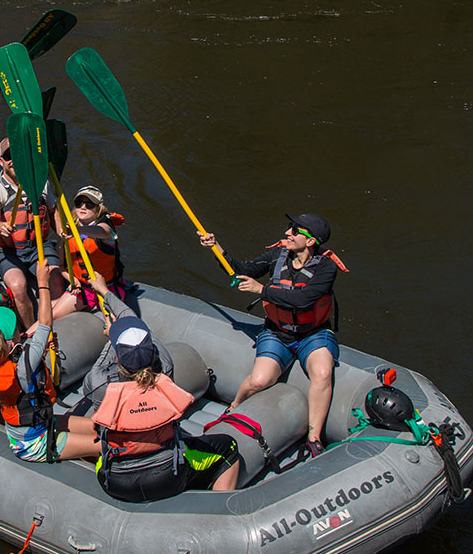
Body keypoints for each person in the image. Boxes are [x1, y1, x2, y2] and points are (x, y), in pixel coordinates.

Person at [198, 213, 348, 456]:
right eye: (290, 227)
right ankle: (234, 407)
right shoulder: (276, 257)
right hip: (277, 332)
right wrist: (217, 249)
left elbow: (304, 299)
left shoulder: (326, 267)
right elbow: (242, 270)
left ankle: (314, 437)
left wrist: (262, 290)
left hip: (313, 333)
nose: (288, 233)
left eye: (295, 230)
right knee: (259, 380)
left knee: (322, 373)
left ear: (310, 241)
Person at [91, 315, 240, 502]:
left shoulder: (98, 383)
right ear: (152, 354)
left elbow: (101, 365)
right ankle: (219, 510)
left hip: (115, 481)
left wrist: (111, 338)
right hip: (167, 475)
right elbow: (155, 345)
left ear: (118, 360)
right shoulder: (166, 370)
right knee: (229, 447)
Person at [0, 262, 100, 463]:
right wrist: (43, 283)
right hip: (35, 445)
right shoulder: (25, 363)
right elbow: (45, 323)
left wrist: (41, 350)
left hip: (34, 428)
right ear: (14, 340)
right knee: (103, 445)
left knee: (96, 426)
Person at [0, 137, 65, 329]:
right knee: (18, 287)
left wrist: (61, 231)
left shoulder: (40, 181)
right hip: (6, 249)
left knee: (56, 279)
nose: (14, 161)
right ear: (0, 161)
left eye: (19, 155)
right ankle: (31, 332)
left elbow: (52, 211)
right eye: (9, 156)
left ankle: (55, 327)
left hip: (37, 245)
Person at [27, 185, 126, 334]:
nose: (83, 207)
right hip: (83, 289)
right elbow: (61, 266)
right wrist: (73, 280)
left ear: (98, 209)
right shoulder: (67, 235)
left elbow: (103, 232)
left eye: (89, 204)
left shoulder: (105, 229)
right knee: (51, 315)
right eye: (79, 203)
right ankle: (23, 341)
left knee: (112, 325)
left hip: (106, 289)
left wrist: (76, 230)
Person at [80, 274, 173, 409]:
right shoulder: (165, 364)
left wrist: (110, 342)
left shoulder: (99, 381)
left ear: (117, 359)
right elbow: (130, 317)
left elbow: (88, 391)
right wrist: (104, 291)